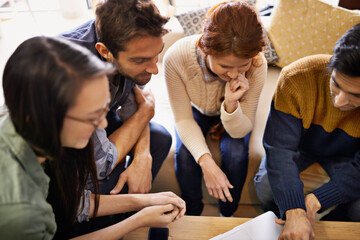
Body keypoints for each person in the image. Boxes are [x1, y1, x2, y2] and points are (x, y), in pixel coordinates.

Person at [0, 36, 185, 240]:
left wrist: (144, 202)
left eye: (103, 110)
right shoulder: (19, 211)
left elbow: (73, 203)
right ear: (38, 117)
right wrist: (137, 220)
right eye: (90, 117)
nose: (103, 125)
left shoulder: (31, 132)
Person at [254, 24, 360, 240]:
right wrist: (294, 210)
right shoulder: (296, 77)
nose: (339, 101)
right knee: (266, 188)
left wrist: (315, 200)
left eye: (356, 95)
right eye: (336, 84)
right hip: (300, 145)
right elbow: (279, 149)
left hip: (348, 156)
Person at [163, 0, 267, 217]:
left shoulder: (258, 65)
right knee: (184, 156)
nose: (233, 74)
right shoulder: (176, 57)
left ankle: (226, 213)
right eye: (225, 66)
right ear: (204, 48)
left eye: (242, 65)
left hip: (235, 114)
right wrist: (207, 162)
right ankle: (192, 211)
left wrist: (230, 104)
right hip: (197, 108)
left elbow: (239, 131)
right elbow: (183, 119)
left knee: (237, 154)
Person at [60, 0, 172, 196]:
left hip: (102, 117)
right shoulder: (77, 75)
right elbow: (100, 163)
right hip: (67, 144)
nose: (155, 69)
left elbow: (137, 102)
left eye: (157, 54)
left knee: (160, 138)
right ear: (105, 51)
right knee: (104, 182)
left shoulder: (130, 43)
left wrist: (142, 157)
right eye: (140, 60)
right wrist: (145, 113)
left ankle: (133, 213)